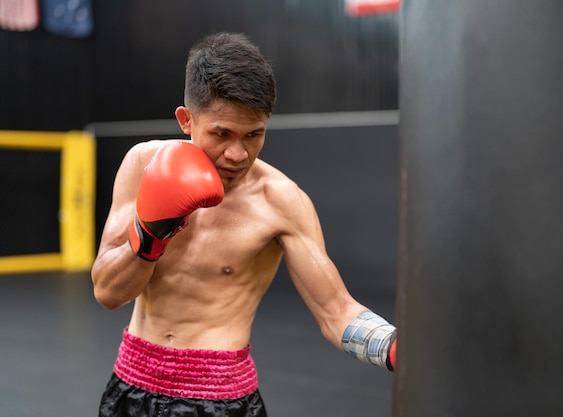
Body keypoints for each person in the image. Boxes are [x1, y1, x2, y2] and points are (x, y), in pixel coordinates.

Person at [91, 31, 397, 417]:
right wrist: (150, 235)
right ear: (186, 120)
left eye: (254, 135)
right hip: (130, 385)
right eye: (221, 134)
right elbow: (108, 292)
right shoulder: (143, 165)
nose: (237, 154)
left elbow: (336, 311)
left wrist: (394, 346)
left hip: (220, 398)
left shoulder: (282, 202)